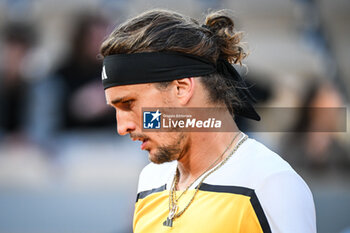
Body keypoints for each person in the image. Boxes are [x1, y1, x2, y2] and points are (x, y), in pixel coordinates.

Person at [99, 9, 316, 233]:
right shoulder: (150, 179)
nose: (122, 127)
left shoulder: (272, 183)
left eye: (129, 104)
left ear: (181, 89)